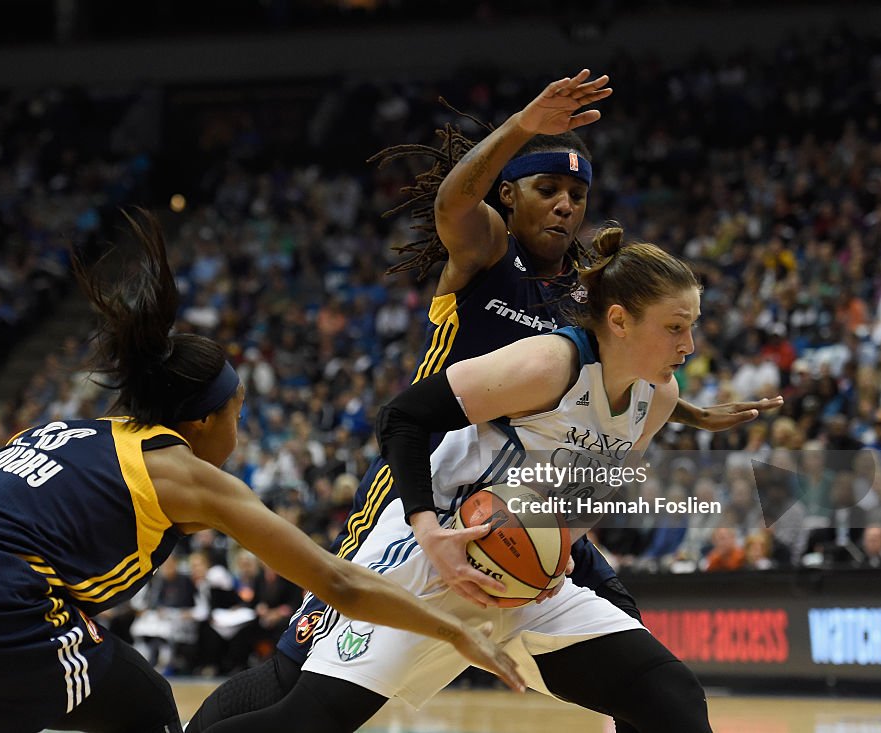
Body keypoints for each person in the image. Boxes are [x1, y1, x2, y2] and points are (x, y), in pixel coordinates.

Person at [189, 70, 780, 731]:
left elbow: (626, 377)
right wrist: (525, 125)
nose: (564, 204)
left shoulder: (584, 300)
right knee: (295, 678)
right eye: (547, 188)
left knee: (647, 667)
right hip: (422, 487)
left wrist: (688, 407)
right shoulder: (491, 251)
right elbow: (452, 204)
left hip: (521, 500)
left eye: (577, 194)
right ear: (509, 194)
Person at [0, 210, 523, 733]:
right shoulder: (181, 474)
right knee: (149, 712)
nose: (239, 434)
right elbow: (337, 582)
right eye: (237, 415)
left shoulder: (49, 432)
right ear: (202, 422)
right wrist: (455, 632)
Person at [200, 226, 716, 733]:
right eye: (675, 327)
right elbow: (401, 416)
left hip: (520, 581)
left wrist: (552, 559)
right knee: (303, 721)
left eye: (692, 326)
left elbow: (588, 498)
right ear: (621, 321)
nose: (689, 344)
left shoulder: (658, 397)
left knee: (669, 696)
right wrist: (429, 532)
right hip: (433, 558)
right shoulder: (551, 363)